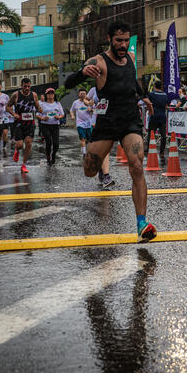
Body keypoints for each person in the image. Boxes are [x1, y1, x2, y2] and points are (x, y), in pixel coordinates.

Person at [65, 20, 156, 243]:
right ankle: (98, 167)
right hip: (106, 123)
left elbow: (132, 80)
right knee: (89, 170)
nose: (123, 45)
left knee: (136, 166)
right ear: (110, 39)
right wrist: (81, 72)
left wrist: (143, 95)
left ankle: (141, 223)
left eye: (126, 40)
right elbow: (68, 83)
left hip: (129, 122)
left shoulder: (131, 59)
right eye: (119, 41)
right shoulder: (99, 61)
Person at [6, 77, 42, 173]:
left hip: (30, 123)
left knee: (29, 143)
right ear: (21, 86)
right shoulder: (16, 95)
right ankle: (17, 151)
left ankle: (24, 165)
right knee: (20, 145)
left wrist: (39, 109)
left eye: (28, 86)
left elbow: (37, 106)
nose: (27, 88)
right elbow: (8, 107)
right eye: (25, 86)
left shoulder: (34, 95)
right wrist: (14, 114)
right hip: (19, 123)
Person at [86, 85, 115, 188]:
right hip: (96, 122)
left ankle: (105, 175)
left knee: (106, 149)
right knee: (100, 150)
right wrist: (88, 104)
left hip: (109, 121)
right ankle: (102, 171)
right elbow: (88, 100)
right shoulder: (94, 89)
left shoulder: (114, 87)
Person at [36, 88, 64, 166]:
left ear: (54, 95)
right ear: (46, 95)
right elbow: (37, 114)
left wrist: (59, 117)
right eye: (48, 93)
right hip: (45, 125)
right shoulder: (42, 104)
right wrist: (43, 118)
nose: (50, 95)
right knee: (48, 141)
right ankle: (48, 156)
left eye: (52, 93)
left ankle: (53, 154)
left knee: (56, 144)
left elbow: (62, 114)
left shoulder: (57, 103)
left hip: (55, 125)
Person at [147, 79, 168, 162]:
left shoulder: (152, 94)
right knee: (163, 135)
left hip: (154, 116)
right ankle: (162, 152)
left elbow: (148, 103)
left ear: (155, 86)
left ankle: (149, 150)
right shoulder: (164, 94)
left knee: (151, 134)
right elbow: (166, 105)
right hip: (162, 116)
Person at [70, 89, 94, 159]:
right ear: (79, 94)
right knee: (83, 138)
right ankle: (84, 154)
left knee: (88, 140)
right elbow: (71, 110)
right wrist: (72, 115)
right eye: (81, 93)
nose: (83, 95)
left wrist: (91, 110)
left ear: (86, 95)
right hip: (80, 123)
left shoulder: (90, 102)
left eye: (84, 93)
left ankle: (84, 148)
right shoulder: (75, 103)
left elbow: (94, 110)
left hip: (89, 123)